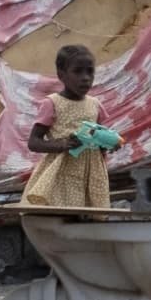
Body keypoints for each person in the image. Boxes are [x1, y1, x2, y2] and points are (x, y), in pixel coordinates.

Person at [20, 43, 119, 209]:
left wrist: (110, 144)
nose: (86, 77)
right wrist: (62, 145)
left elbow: (98, 137)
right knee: (61, 210)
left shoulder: (95, 105)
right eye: (78, 71)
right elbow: (34, 142)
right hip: (62, 172)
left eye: (90, 71)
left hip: (91, 172)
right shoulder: (53, 103)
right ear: (61, 75)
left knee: (89, 213)